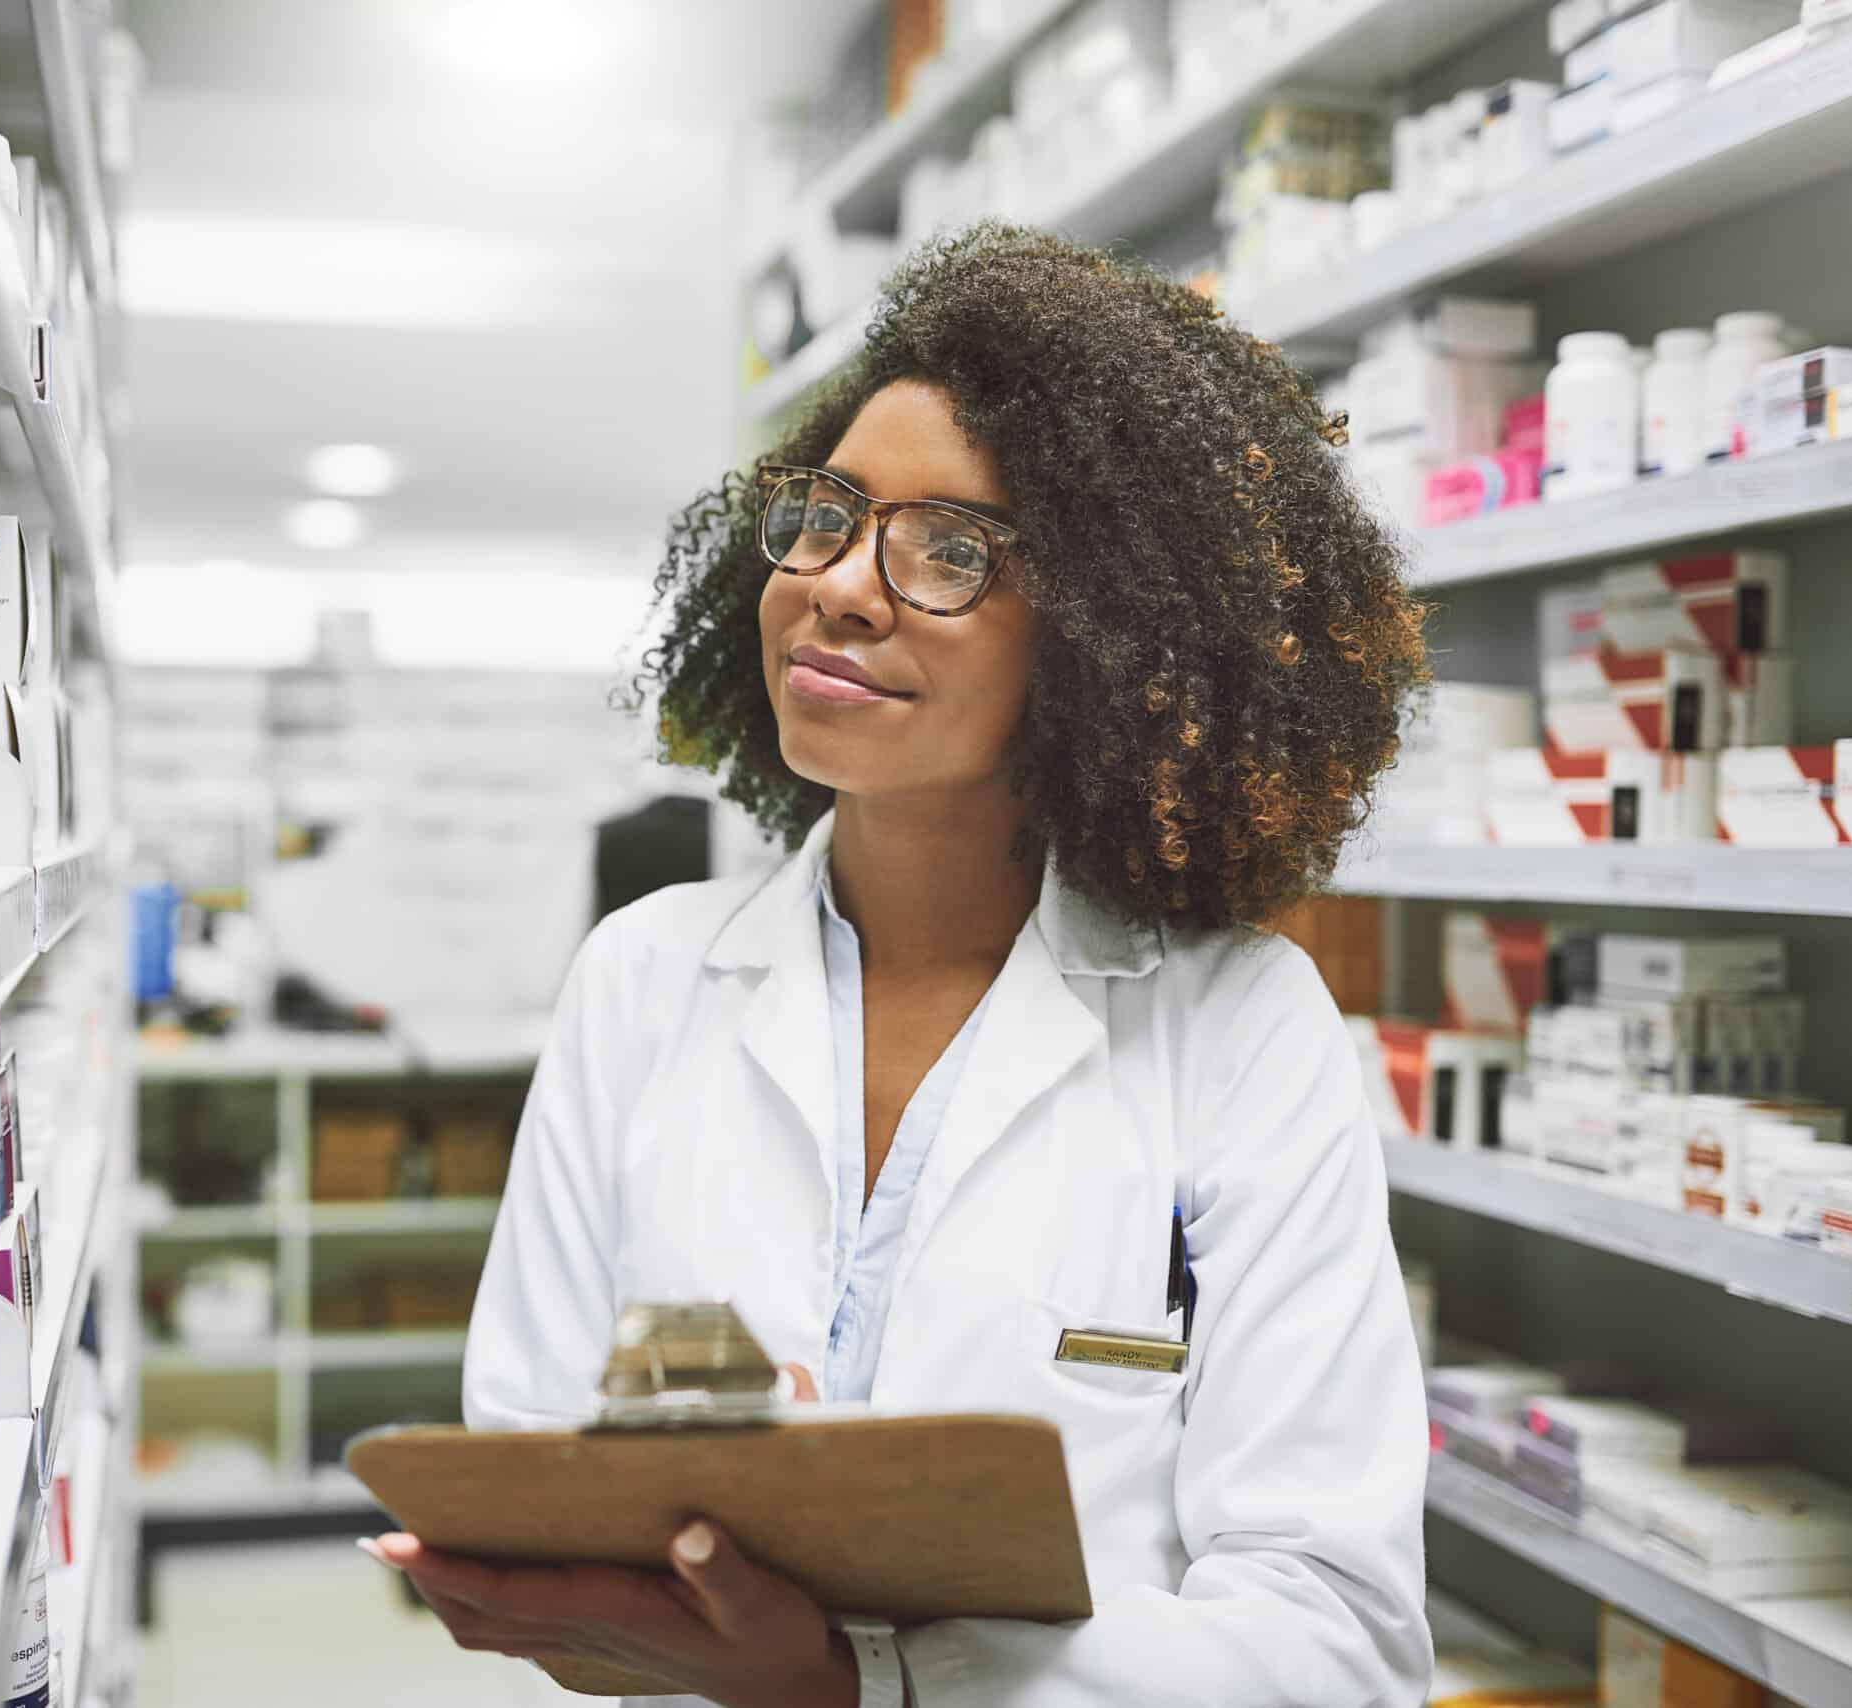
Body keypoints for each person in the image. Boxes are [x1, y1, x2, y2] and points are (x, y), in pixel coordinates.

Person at [363, 223, 1434, 1707]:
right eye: (827, 516)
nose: (842, 587)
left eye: (951, 551)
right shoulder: (645, 977)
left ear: (1113, 641)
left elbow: (1334, 1643)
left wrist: (861, 1680)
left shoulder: (1240, 1025)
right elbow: (532, 1461)